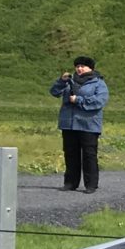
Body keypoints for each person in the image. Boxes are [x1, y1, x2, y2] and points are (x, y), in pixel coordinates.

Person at [51, 55, 108, 193]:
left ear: (90, 68)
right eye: (77, 66)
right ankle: (70, 183)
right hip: (69, 124)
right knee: (70, 154)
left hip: (88, 125)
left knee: (89, 155)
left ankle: (91, 185)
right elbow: (54, 92)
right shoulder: (69, 81)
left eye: (82, 66)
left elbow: (99, 101)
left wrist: (79, 100)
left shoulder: (98, 83)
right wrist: (61, 81)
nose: (79, 69)